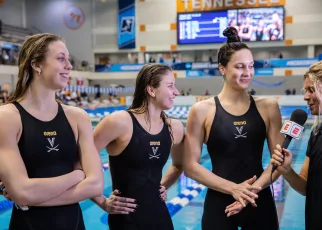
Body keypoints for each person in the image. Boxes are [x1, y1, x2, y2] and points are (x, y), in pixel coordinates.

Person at [183, 27, 284, 230]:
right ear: (222, 68)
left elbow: (279, 162)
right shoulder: (202, 110)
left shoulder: (269, 107)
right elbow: (190, 166)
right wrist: (234, 189)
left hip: (259, 199)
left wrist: (249, 192)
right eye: (239, 67)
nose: (247, 73)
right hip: (220, 203)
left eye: (251, 66)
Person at [0, 33, 104, 230]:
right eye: (60, 58)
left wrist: (33, 196)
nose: (69, 66)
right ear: (37, 64)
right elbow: (22, 192)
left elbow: (96, 185)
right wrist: (77, 176)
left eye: (69, 59)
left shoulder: (78, 117)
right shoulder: (7, 118)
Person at [92, 63, 185, 230]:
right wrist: (102, 201)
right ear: (151, 90)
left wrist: (164, 185)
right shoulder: (119, 122)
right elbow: (78, 162)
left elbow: (179, 164)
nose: (176, 92)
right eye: (170, 86)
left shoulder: (174, 128)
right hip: (126, 221)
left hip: (160, 216)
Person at [271, 61, 322, 230]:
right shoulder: (316, 134)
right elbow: (306, 187)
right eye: (305, 90)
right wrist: (287, 170)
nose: (306, 97)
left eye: (311, 90)